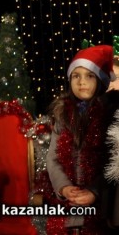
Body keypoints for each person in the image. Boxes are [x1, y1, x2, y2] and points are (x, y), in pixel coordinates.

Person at [46, 45, 118, 234]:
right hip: (69, 201)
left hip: (102, 205)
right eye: (76, 76)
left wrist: (94, 191)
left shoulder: (110, 115)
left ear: (100, 81)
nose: (81, 82)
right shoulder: (63, 114)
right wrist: (64, 187)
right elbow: (52, 157)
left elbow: (114, 163)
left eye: (89, 76)